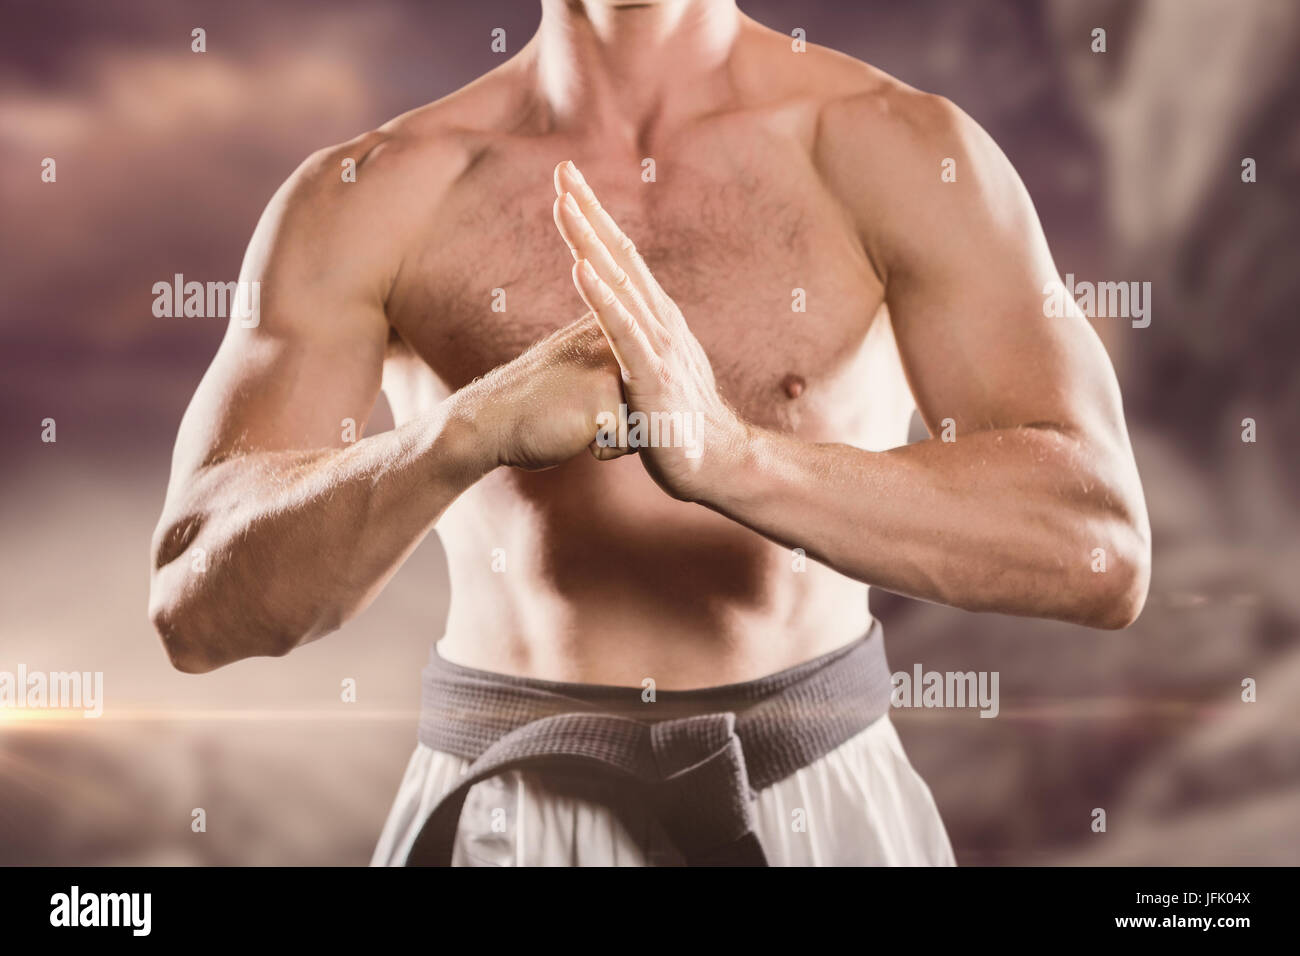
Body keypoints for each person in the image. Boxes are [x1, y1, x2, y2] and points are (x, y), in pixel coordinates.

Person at [148, 0, 1150, 866]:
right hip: (503, 807)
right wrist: (466, 430)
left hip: (817, 796)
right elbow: (198, 605)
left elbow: (1095, 544)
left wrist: (734, 457)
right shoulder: (370, 194)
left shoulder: (900, 150)